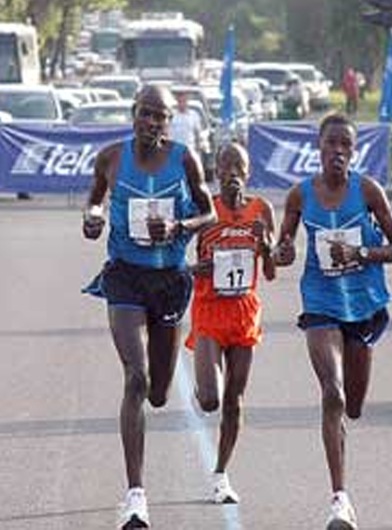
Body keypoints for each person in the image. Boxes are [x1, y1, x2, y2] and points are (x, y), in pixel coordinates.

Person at [82, 84, 216, 529]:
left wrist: (181, 225)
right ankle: (135, 496)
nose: (153, 123)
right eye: (146, 114)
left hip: (170, 280)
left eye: (161, 117)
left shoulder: (185, 159)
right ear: (133, 113)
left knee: (158, 392)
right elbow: (96, 197)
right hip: (124, 275)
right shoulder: (111, 157)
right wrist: (93, 217)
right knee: (135, 379)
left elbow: (209, 213)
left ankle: (172, 385)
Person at [274, 113, 392, 530]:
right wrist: (280, 253)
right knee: (331, 393)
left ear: (354, 151)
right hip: (320, 302)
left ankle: (341, 488)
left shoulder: (368, 191)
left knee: (353, 404)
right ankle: (339, 501)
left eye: (345, 145)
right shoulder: (300, 196)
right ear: (319, 147)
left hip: (363, 305)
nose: (338, 151)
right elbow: (285, 247)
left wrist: (362, 255)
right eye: (331, 143)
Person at [185, 142, 275, 504]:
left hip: (243, 311)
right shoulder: (205, 209)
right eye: (225, 166)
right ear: (216, 172)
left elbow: (270, 271)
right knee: (210, 400)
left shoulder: (261, 209)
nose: (232, 172)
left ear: (248, 172)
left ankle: (221, 473)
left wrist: (265, 244)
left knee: (234, 401)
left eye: (239, 166)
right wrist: (197, 270)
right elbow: (181, 259)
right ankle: (202, 385)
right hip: (209, 308)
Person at [170, 92, 202, 156]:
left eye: (183, 101)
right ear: (177, 102)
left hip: (189, 150)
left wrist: (198, 151)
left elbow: (197, 134)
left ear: (187, 102)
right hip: (175, 150)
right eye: (180, 101)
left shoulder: (194, 115)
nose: (182, 104)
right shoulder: (172, 115)